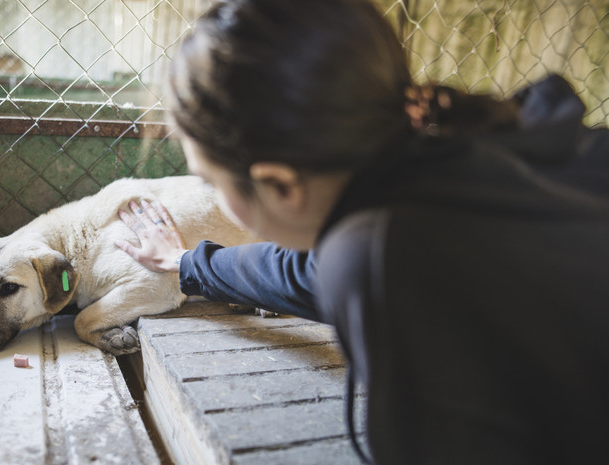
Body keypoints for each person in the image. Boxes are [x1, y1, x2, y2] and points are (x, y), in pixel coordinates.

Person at [115, 0, 609, 463]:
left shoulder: (379, 252)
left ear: (279, 185)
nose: (212, 195)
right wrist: (188, 263)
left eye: (211, 181)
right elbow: (303, 272)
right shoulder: (479, 153)